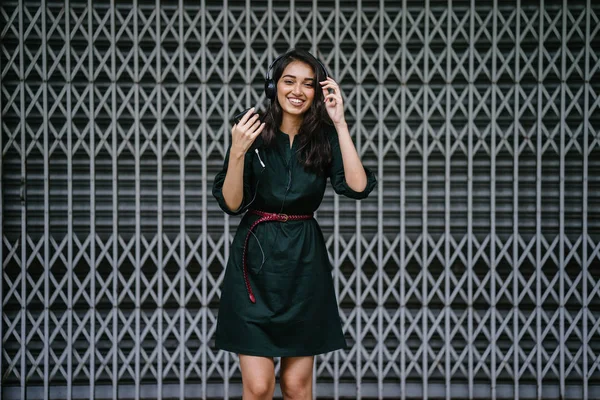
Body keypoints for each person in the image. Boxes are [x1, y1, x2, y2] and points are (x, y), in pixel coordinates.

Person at [212, 49, 376, 400]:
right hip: (253, 265)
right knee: (258, 388)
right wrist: (237, 152)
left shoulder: (324, 137)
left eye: (308, 84)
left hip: (304, 265)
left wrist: (341, 123)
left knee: (297, 387)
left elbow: (359, 187)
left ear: (319, 92)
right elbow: (232, 202)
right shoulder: (251, 130)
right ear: (273, 86)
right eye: (289, 81)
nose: (298, 90)